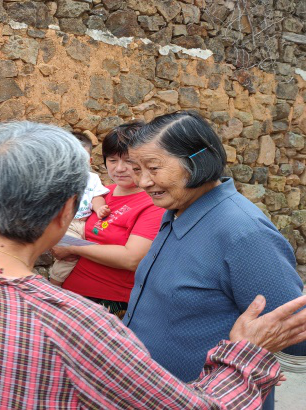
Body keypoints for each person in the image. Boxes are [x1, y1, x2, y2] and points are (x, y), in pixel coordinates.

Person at [0, 121, 306, 410]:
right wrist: (245, 354)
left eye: (152, 167)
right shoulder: (70, 323)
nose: (143, 181)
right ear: (64, 212)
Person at [123, 111, 306, 410]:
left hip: (215, 399)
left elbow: (295, 332)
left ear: (198, 161)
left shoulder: (244, 233)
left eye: (153, 168)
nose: (142, 181)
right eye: (136, 169)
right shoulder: (176, 211)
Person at [51, 123, 165, 318]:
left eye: (128, 161)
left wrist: (72, 246)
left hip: (106, 303)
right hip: (70, 294)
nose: (119, 168)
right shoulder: (102, 192)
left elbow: (131, 259)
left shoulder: (153, 203)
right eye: (112, 160)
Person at [49, 132, 111, 287]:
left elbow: (96, 196)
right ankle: (54, 284)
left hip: (85, 223)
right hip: (66, 224)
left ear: (89, 161)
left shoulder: (93, 178)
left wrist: (100, 208)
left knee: (84, 253)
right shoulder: (58, 179)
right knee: (69, 257)